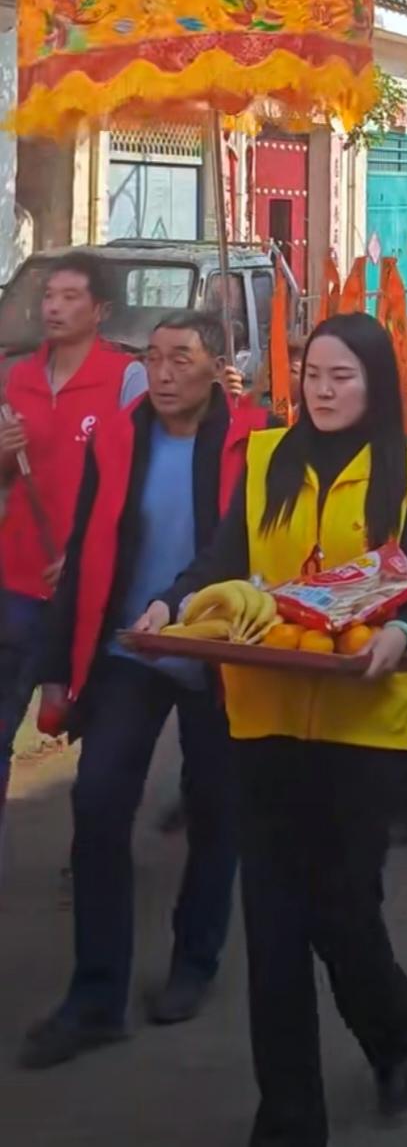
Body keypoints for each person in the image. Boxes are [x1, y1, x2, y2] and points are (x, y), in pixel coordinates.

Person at [137, 314, 407, 1141]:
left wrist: (402, 630)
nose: (323, 389)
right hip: (264, 712)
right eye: (314, 373)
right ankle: (287, 1119)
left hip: (364, 724)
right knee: (273, 929)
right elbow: (226, 558)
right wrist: (178, 599)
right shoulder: (269, 457)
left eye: (343, 376)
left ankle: (392, 1039)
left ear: (376, 383)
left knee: (343, 913)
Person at [19, 314, 267, 1070]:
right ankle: (96, 995)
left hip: (221, 652)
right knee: (96, 806)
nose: (161, 374)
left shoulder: (254, 440)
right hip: (130, 646)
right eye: (152, 358)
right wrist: (60, 662)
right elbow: (90, 541)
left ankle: (195, 961)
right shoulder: (121, 436)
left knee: (217, 810)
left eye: (180, 359)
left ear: (214, 366)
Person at [0, 252, 147, 828]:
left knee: (95, 729)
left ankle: (91, 852)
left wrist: (89, 558)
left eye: (70, 297)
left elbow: (134, 484)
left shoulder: (125, 379)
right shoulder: (17, 376)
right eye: (49, 296)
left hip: (90, 588)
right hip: (16, 578)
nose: (53, 307)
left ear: (101, 310)